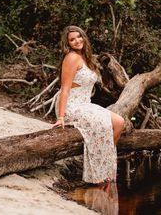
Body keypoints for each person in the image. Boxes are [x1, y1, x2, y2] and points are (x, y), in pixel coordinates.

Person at [52, 25, 123, 185]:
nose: (77, 41)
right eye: (72, 39)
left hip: (85, 104)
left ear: (84, 37)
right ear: (68, 43)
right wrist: (61, 117)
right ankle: (99, 176)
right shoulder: (71, 58)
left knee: (119, 123)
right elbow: (64, 88)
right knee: (103, 125)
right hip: (72, 105)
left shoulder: (86, 57)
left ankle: (103, 168)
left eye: (79, 37)